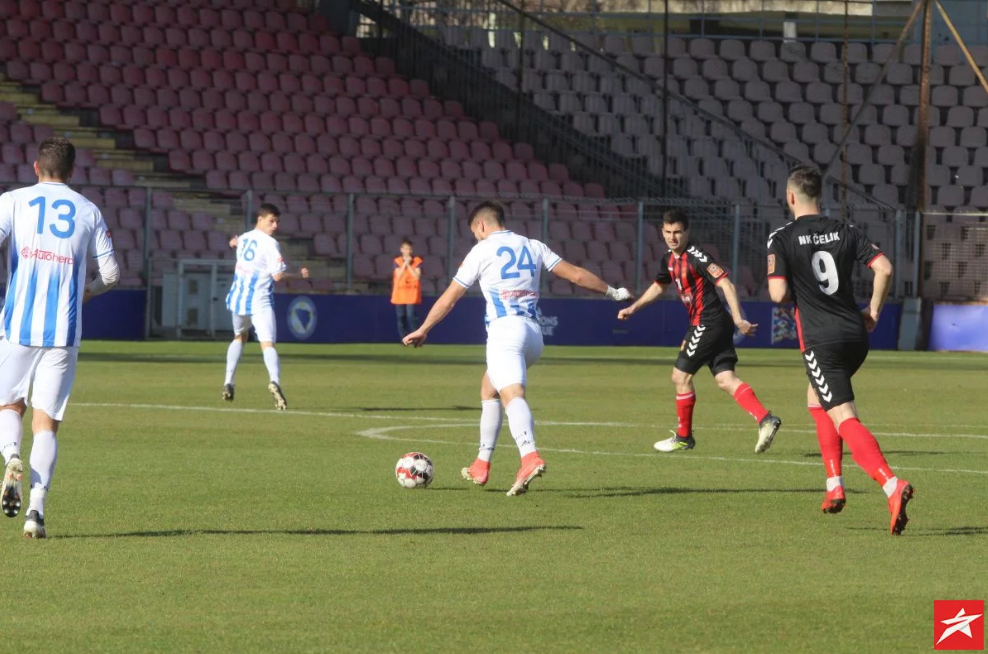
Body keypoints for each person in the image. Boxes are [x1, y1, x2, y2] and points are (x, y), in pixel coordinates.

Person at [402, 200, 632, 496]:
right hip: (533, 335)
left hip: (505, 333)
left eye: (475, 232)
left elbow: (450, 297)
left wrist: (424, 328)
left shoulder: (482, 250)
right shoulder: (533, 245)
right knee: (489, 388)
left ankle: (529, 456)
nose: (476, 237)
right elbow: (575, 274)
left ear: (481, 225)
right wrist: (614, 292)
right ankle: (481, 463)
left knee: (512, 394)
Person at [767, 165, 912, 535]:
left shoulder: (782, 237)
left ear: (790, 197)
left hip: (821, 339)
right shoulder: (846, 229)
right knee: (816, 397)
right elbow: (884, 268)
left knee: (843, 415)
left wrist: (800, 286)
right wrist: (873, 311)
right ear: (820, 196)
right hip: (855, 334)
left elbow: (778, 294)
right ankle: (834, 484)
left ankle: (891, 484)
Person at [0, 137, 120, 539]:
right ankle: (35, 511)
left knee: (8, 404)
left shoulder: (13, 201)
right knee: (46, 423)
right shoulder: (88, 210)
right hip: (64, 331)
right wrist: (88, 291)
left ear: (36, 167)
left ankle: (11, 455)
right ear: (71, 172)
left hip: (17, 325)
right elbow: (112, 274)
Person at [617, 210, 782, 454]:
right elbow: (659, 286)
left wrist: (739, 319)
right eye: (668, 232)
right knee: (725, 379)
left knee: (680, 377)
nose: (672, 237)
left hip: (708, 322)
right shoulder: (668, 259)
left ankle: (684, 437)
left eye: (677, 232)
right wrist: (633, 308)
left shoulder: (697, 257)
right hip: (712, 324)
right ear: (662, 231)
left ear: (687, 232)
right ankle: (766, 419)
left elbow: (727, 284)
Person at [223, 204, 309, 410]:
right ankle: (274, 381)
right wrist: (298, 275)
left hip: (238, 299)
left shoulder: (244, 238)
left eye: (277, 221)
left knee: (239, 337)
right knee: (268, 345)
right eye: (271, 221)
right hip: (259, 300)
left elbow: (237, 244)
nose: (275, 225)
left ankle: (228, 381)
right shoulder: (271, 244)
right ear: (260, 220)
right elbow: (277, 276)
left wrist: (233, 243)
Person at [391, 238, 422, 340]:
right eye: (405, 249)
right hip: (400, 293)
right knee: (401, 317)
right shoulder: (397, 261)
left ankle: (417, 337)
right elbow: (398, 275)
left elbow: (417, 276)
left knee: (411, 315)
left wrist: (408, 264)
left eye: (409, 249)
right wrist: (404, 263)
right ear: (401, 249)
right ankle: (404, 338)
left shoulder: (417, 261)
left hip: (411, 293)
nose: (407, 251)